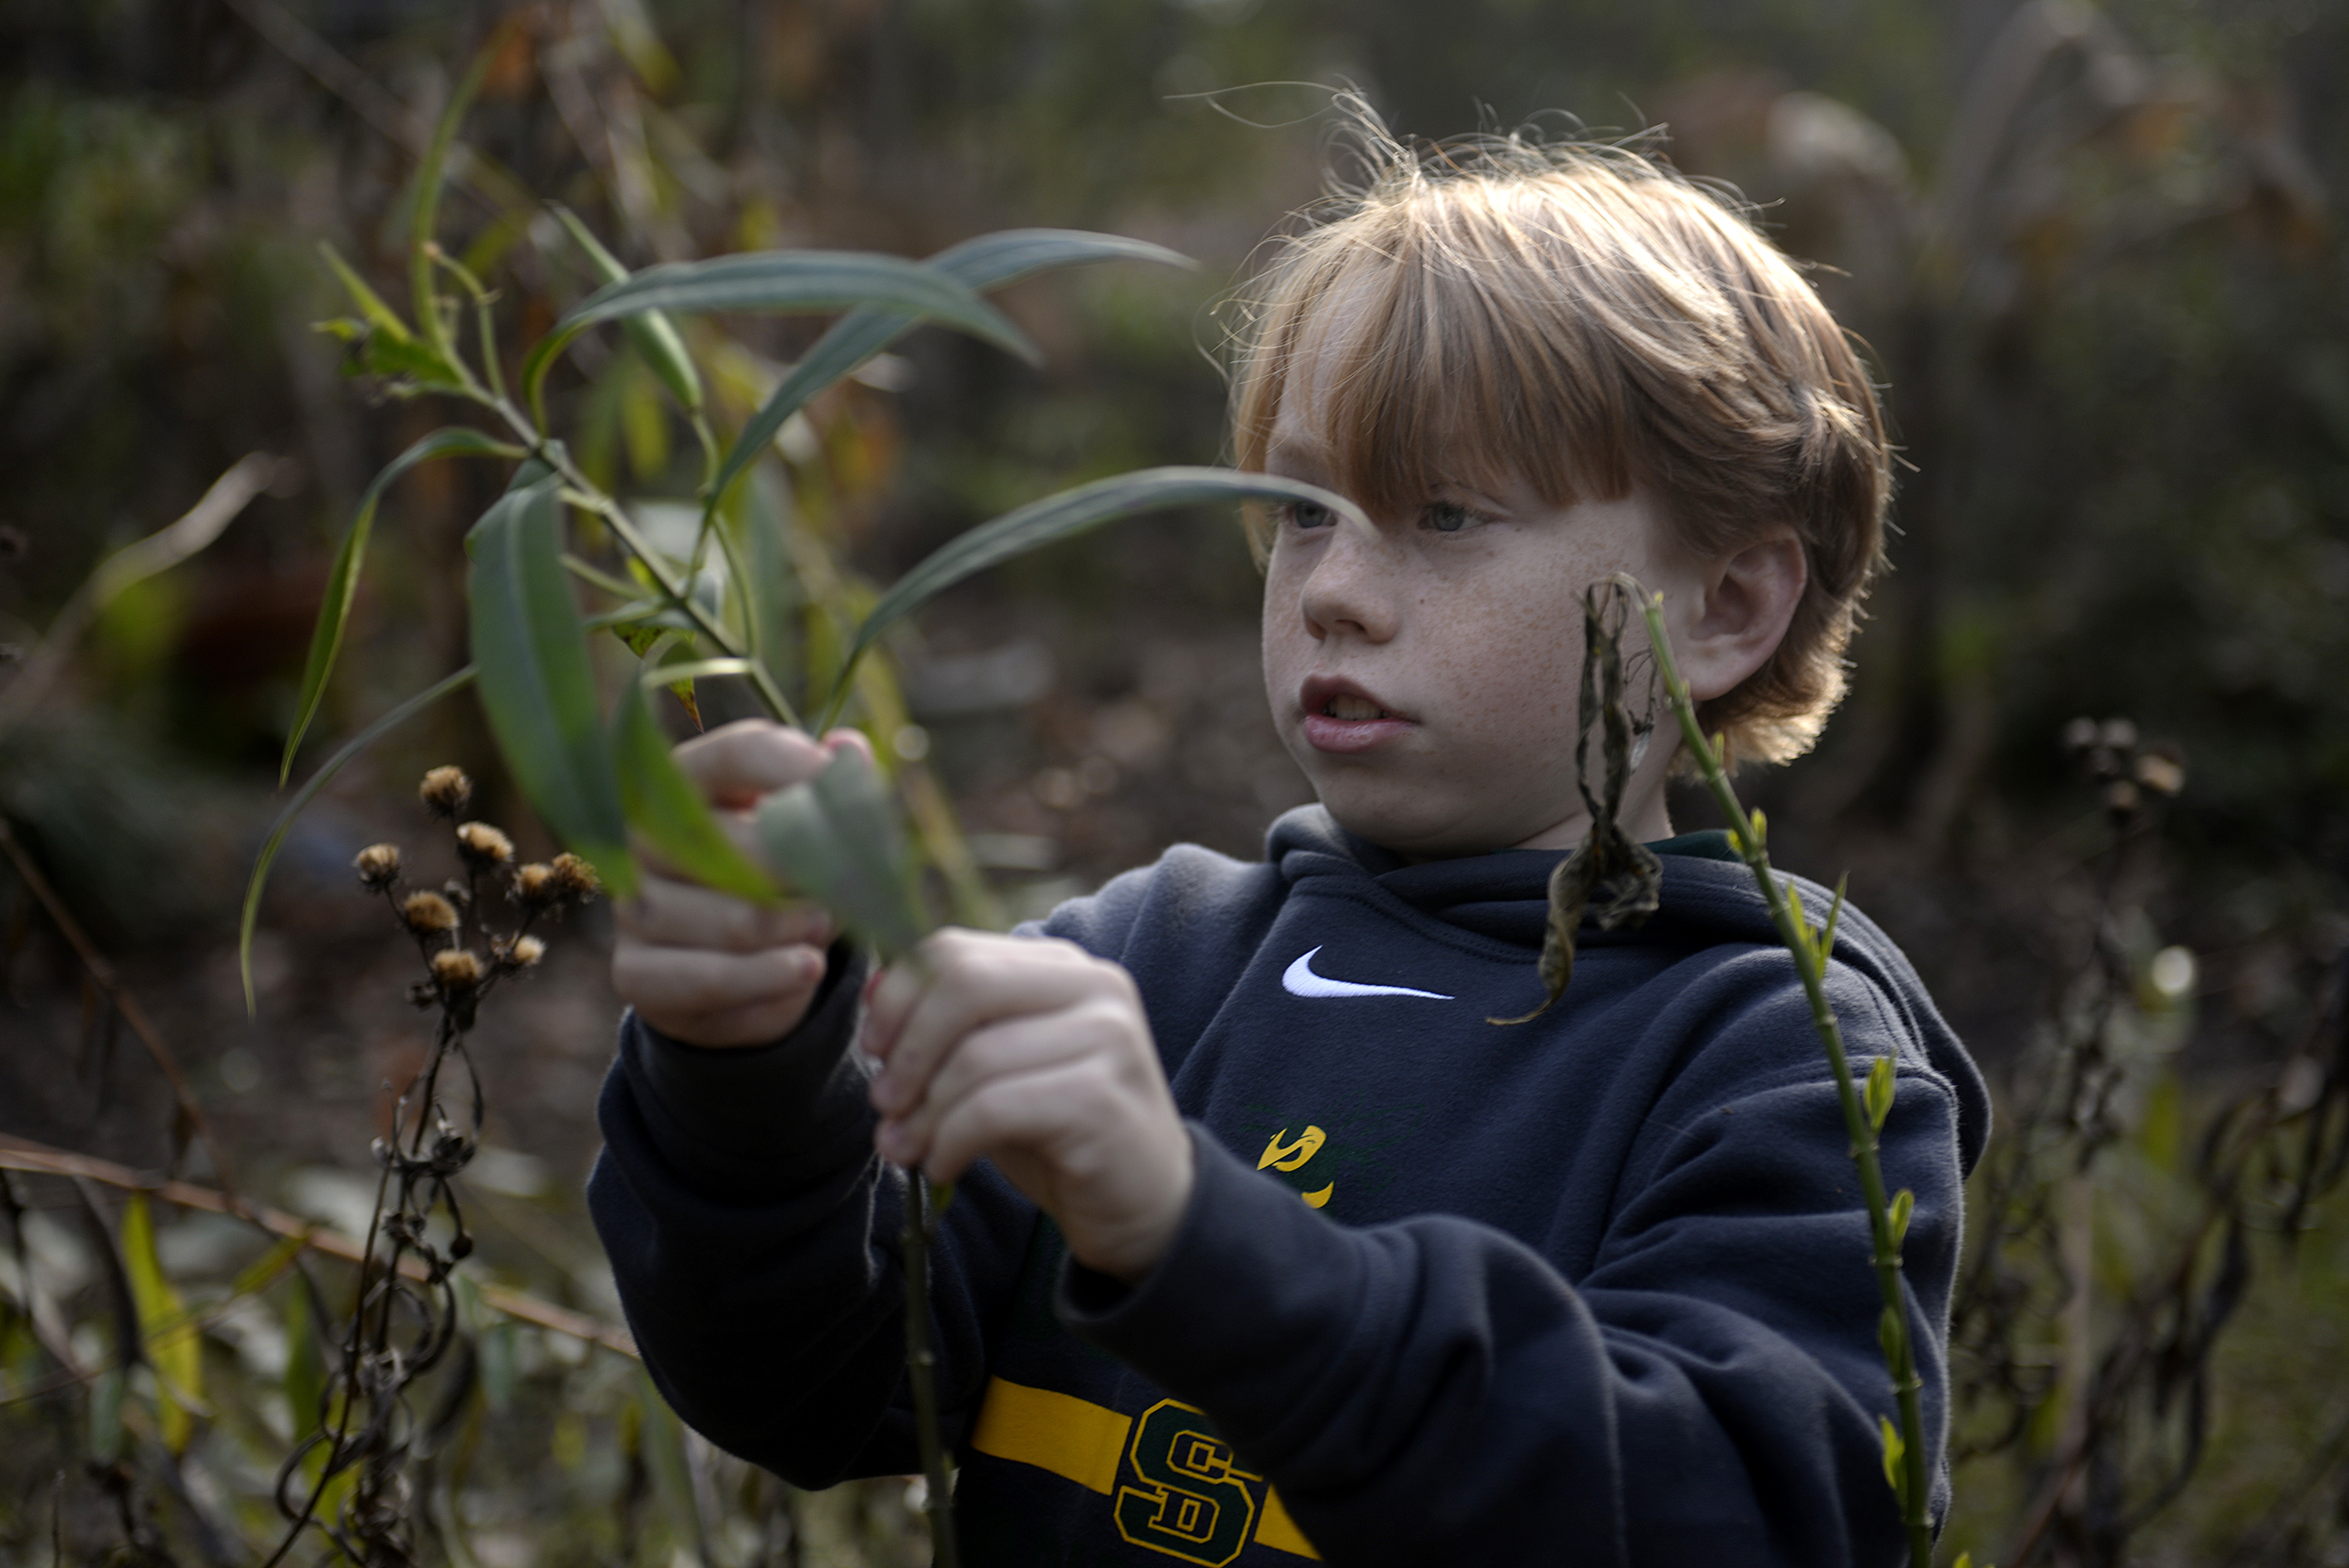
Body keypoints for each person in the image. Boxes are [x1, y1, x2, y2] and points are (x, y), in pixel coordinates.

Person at [587, 114, 1989, 1567]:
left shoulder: (1782, 1059)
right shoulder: (1145, 968)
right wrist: (744, 1070)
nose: (1335, 590)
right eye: (1302, 510)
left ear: (1725, 609)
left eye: (1444, 513)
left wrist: (1199, 1240)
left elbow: (1748, 1518)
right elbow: (813, 1384)